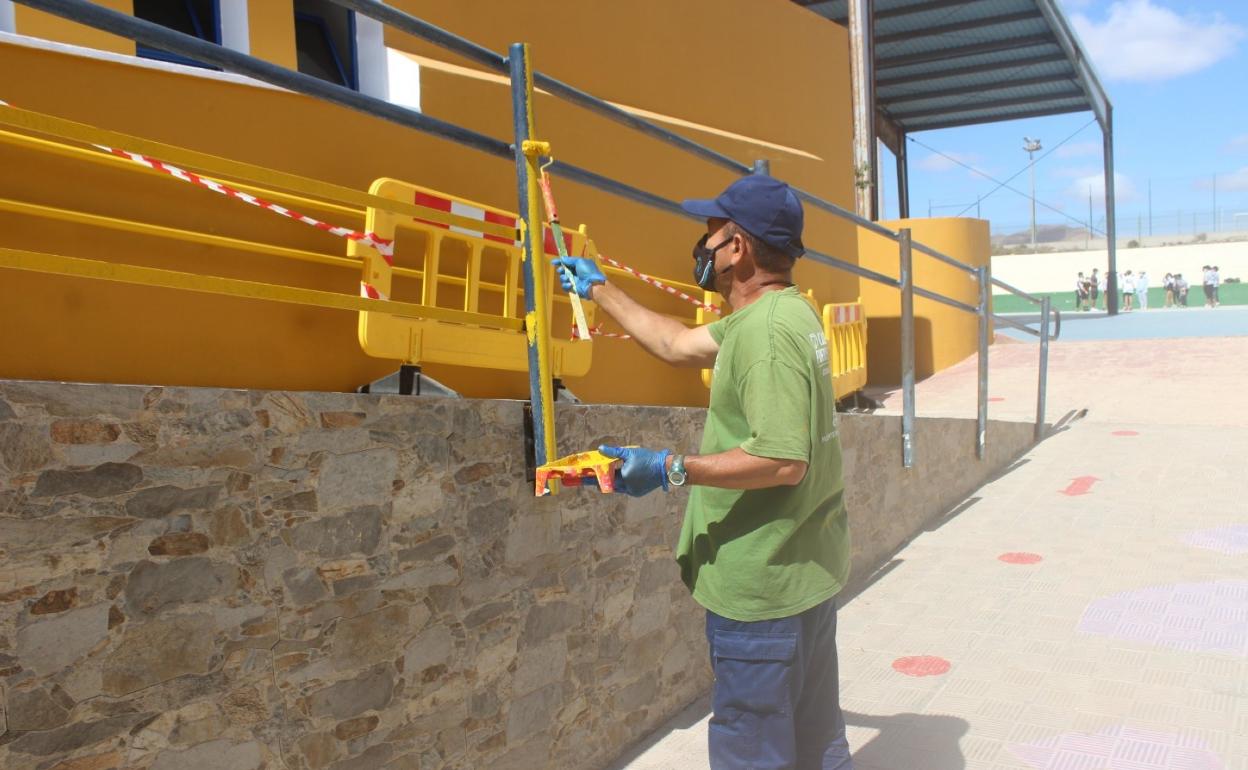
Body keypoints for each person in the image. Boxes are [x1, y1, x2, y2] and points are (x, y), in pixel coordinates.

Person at [555, 175, 854, 770]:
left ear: (737, 247)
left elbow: (782, 460)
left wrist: (669, 469)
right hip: (803, 573)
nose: (703, 245)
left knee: (754, 748)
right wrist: (600, 290)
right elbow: (676, 343)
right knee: (815, 737)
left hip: (762, 586)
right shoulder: (781, 313)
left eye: (711, 233)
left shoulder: (765, 336)